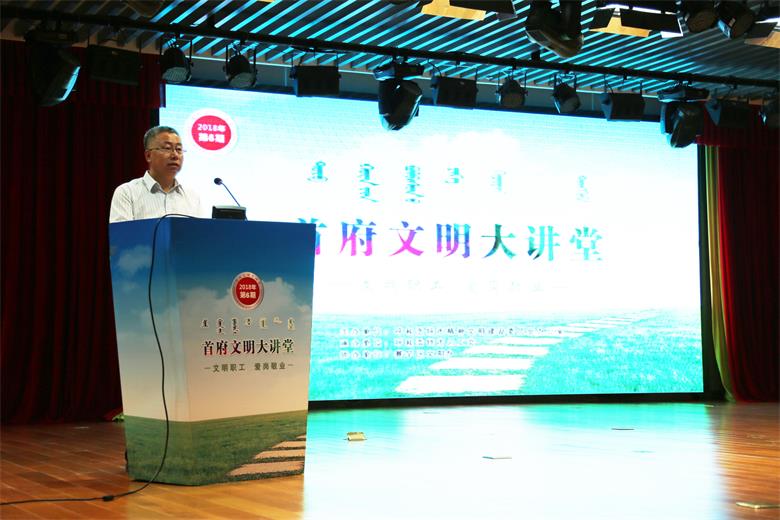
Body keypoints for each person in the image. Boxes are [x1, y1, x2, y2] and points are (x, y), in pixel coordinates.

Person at [109, 125, 205, 222]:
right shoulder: (127, 193)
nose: (175, 155)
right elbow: (122, 232)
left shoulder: (192, 197)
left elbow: (200, 231)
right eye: (167, 148)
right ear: (148, 155)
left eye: (179, 149)